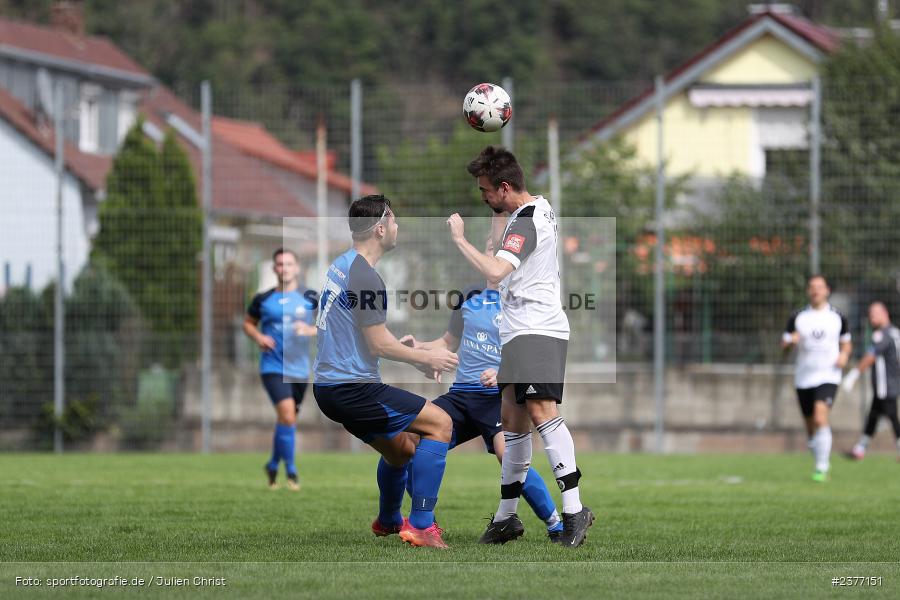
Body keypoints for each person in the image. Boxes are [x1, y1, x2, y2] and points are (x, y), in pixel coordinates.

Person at [446, 145, 593, 548]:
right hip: (518, 331)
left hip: (536, 330)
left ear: (505, 187)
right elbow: (499, 244)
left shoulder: (526, 222)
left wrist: (459, 239)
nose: (482, 196)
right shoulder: (527, 210)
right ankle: (506, 518)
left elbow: (494, 271)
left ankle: (575, 510)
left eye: (485, 190)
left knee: (543, 413)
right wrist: (497, 205)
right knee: (512, 423)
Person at [313, 194, 459, 549]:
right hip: (352, 389)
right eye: (393, 220)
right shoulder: (366, 276)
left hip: (330, 388)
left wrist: (412, 352)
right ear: (380, 228)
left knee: (401, 450)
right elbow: (378, 344)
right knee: (440, 424)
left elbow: (365, 335)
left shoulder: (344, 264)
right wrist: (425, 359)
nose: (397, 227)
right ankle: (421, 526)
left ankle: (389, 521)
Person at [400, 276, 564, 540]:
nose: (492, 257)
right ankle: (425, 524)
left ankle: (556, 524)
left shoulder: (523, 297)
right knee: (408, 440)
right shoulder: (469, 294)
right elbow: (448, 342)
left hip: (499, 398)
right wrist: (419, 347)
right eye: (488, 253)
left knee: (507, 454)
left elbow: (534, 352)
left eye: (497, 253)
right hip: (462, 395)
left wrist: (503, 373)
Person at [243, 248, 317, 491]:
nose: (284, 268)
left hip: (300, 370)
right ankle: (292, 471)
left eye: (289, 264)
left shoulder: (311, 297)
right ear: (274, 268)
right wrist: (258, 337)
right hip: (273, 366)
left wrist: (310, 330)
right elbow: (248, 324)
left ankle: (273, 464)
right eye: (280, 264)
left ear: (297, 267)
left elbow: (331, 324)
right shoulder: (263, 299)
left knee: (286, 419)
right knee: (287, 415)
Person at [781, 275, 852, 482]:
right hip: (804, 378)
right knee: (811, 427)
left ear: (827, 290)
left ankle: (822, 467)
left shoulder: (838, 317)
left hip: (829, 375)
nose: (816, 291)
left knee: (821, 418)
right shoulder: (798, 317)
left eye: (819, 287)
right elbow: (784, 346)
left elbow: (846, 343)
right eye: (812, 287)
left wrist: (844, 355)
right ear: (808, 291)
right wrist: (790, 342)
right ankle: (818, 453)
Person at [841, 302, 900, 461]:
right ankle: (860, 448)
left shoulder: (882, 334)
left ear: (884, 313)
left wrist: (853, 374)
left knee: (892, 416)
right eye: (870, 314)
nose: (871, 317)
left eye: (874, 314)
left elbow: (871, 356)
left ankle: (861, 448)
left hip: (885, 385)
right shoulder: (895, 332)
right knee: (874, 416)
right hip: (890, 383)